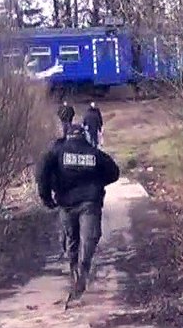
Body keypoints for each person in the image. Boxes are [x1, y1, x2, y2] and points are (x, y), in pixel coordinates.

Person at [36, 123, 121, 300]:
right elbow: (114, 172)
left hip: (66, 204)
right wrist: (97, 184)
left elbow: (42, 172)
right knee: (90, 239)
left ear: (67, 135)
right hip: (90, 202)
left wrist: (47, 197)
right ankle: (83, 271)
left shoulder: (57, 152)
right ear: (84, 136)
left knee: (71, 238)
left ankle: (73, 267)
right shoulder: (94, 153)